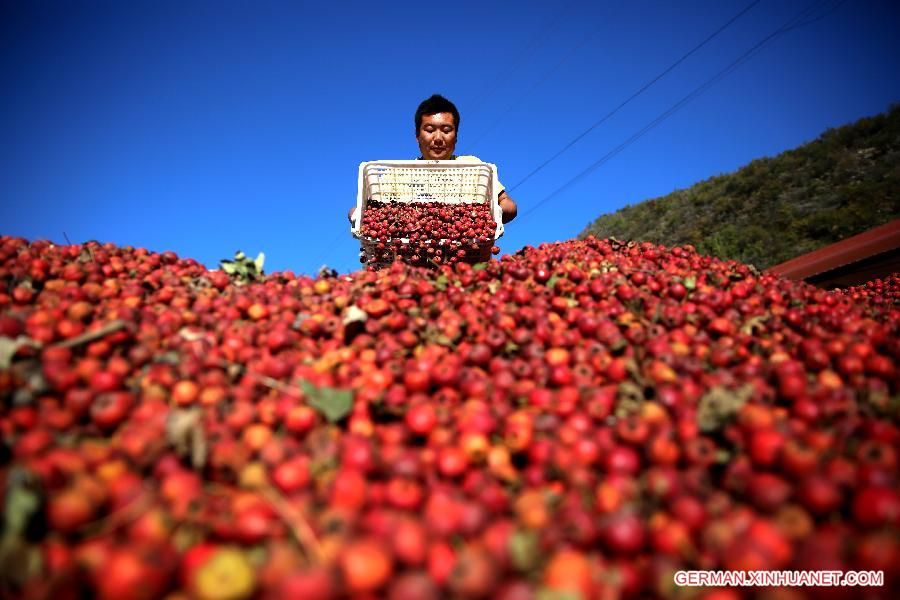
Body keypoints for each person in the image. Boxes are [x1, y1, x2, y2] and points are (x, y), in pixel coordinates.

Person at [348, 94, 518, 225]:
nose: (438, 138)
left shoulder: (473, 167)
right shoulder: (396, 174)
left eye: (446, 130)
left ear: (456, 136)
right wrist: (356, 214)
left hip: (469, 262)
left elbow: (507, 204)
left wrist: (487, 217)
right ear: (417, 136)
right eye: (429, 130)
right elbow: (366, 210)